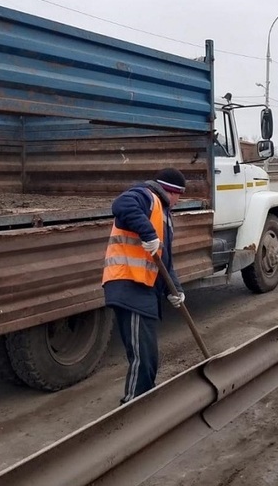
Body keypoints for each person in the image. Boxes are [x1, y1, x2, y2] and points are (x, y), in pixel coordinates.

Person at [102, 167, 186, 404]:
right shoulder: (146, 195)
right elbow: (121, 204)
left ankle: (143, 400)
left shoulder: (165, 216)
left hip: (143, 289)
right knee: (143, 355)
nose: (179, 200)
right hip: (130, 283)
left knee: (147, 354)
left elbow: (165, 261)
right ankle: (134, 406)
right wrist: (149, 234)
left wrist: (176, 290)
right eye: (179, 195)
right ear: (171, 191)